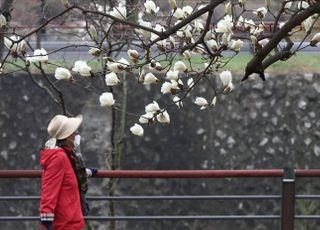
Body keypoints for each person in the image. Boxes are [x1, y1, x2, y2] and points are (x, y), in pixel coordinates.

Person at [40, 114, 97, 230]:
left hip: (72, 221)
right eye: (74, 132)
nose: (77, 134)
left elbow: (70, 174)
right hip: (64, 224)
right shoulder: (58, 158)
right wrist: (46, 220)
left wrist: (87, 172)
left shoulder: (67, 155)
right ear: (66, 136)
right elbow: (49, 189)